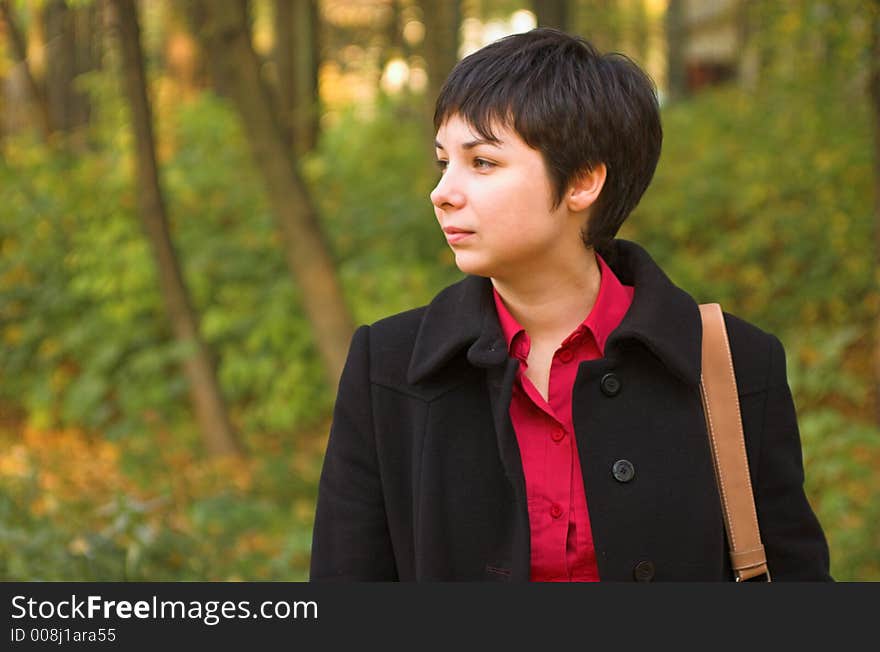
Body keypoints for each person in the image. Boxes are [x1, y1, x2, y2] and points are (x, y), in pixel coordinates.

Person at [309, 28, 831, 582]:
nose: (442, 191)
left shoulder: (729, 365)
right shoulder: (386, 368)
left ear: (583, 182)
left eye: (482, 162)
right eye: (444, 162)